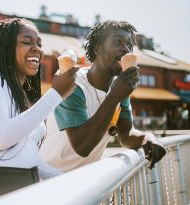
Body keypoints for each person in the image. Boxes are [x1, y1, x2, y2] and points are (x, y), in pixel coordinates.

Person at [0, 17, 79, 205]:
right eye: (27, 42)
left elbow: (27, 155)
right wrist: (55, 95)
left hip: (28, 187)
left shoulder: (26, 95)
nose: (37, 48)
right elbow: (3, 137)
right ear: (7, 47)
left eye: (39, 44)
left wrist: (64, 180)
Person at [39, 20, 166, 172]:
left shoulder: (119, 89)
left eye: (129, 45)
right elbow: (82, 146)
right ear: (97, 48)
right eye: (117, 42)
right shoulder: (73, 85)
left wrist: (147, 137)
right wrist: (113, 97)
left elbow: (126, 135)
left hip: (84, 182)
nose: (125, 49)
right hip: (47, 179)